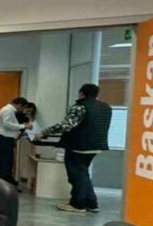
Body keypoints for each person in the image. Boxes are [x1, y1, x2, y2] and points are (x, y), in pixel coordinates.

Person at [35, 83, 112, 214]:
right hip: (97, 145)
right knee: (83, 173)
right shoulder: (106, 107)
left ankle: (78, 204)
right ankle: (91, 203)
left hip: (79, 146)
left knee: (76, 175)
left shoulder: (81, 106)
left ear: (82, 93)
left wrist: (44, 132)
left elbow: (66, 126)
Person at [0, 96, 31, 185]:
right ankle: (5, 182)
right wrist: (23, 126)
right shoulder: (8, 111)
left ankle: (1, 181)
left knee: (2, 161)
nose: (22, 110)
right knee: (6, 162)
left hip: (2, 138)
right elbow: (7, 124)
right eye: (23, 107)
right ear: (19, 105)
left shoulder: (7, 110)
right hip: (4, 138)